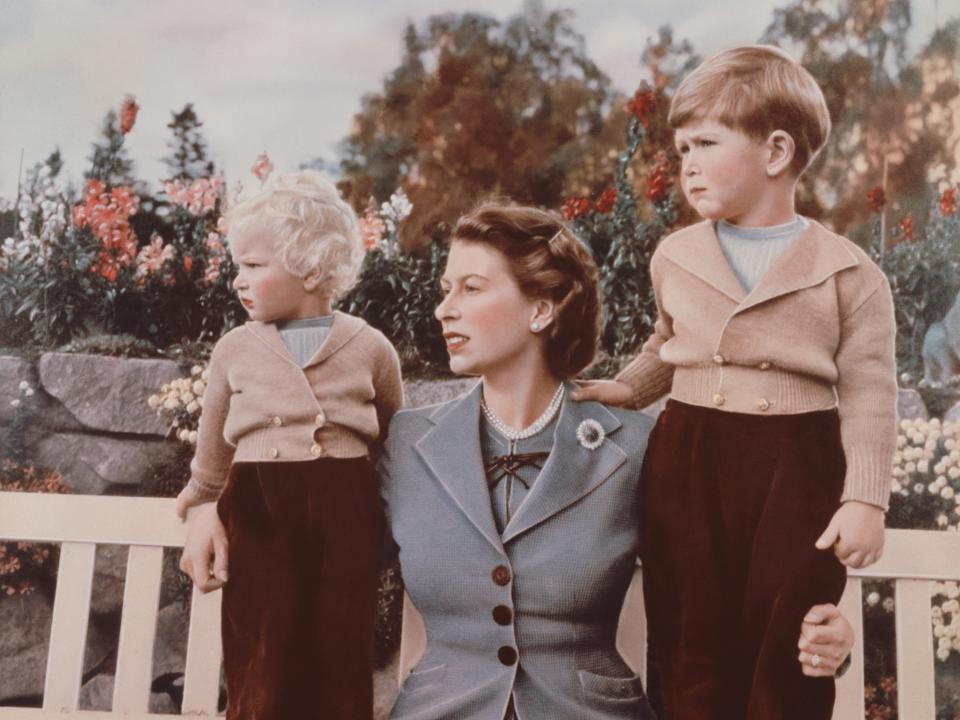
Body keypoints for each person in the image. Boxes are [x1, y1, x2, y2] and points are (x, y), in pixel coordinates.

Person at [181, 201, 856, 720]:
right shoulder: (405, 447)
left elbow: (732, 582)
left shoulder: (635, 447)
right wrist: (212, 506)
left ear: (542, 308)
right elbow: (303, 545)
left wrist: (824, 630)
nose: (445, 309)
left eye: (471, 289)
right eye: (447, 289)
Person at [574, 45, 896, 719]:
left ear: (775, 152)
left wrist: (865, 498)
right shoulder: (676, 255)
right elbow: (670, 342)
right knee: (692, 639)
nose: (684, 162)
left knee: (789, 641)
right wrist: (630, 389)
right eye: (680, 146)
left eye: (705, 143)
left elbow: (869, 391)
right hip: (690, 459)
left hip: (796, 467)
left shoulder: (848, 272)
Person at [174, 170, 404, 720]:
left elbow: (399, 444)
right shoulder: (233, 351)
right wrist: (203, 509)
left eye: (253, 266)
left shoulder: (371, 348)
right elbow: (211, 457)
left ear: (310, 268)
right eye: (238, 266)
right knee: (263, 649)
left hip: (346, 512)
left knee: (341, 648)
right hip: (259, 510)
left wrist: (399, 519)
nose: (237, 279)